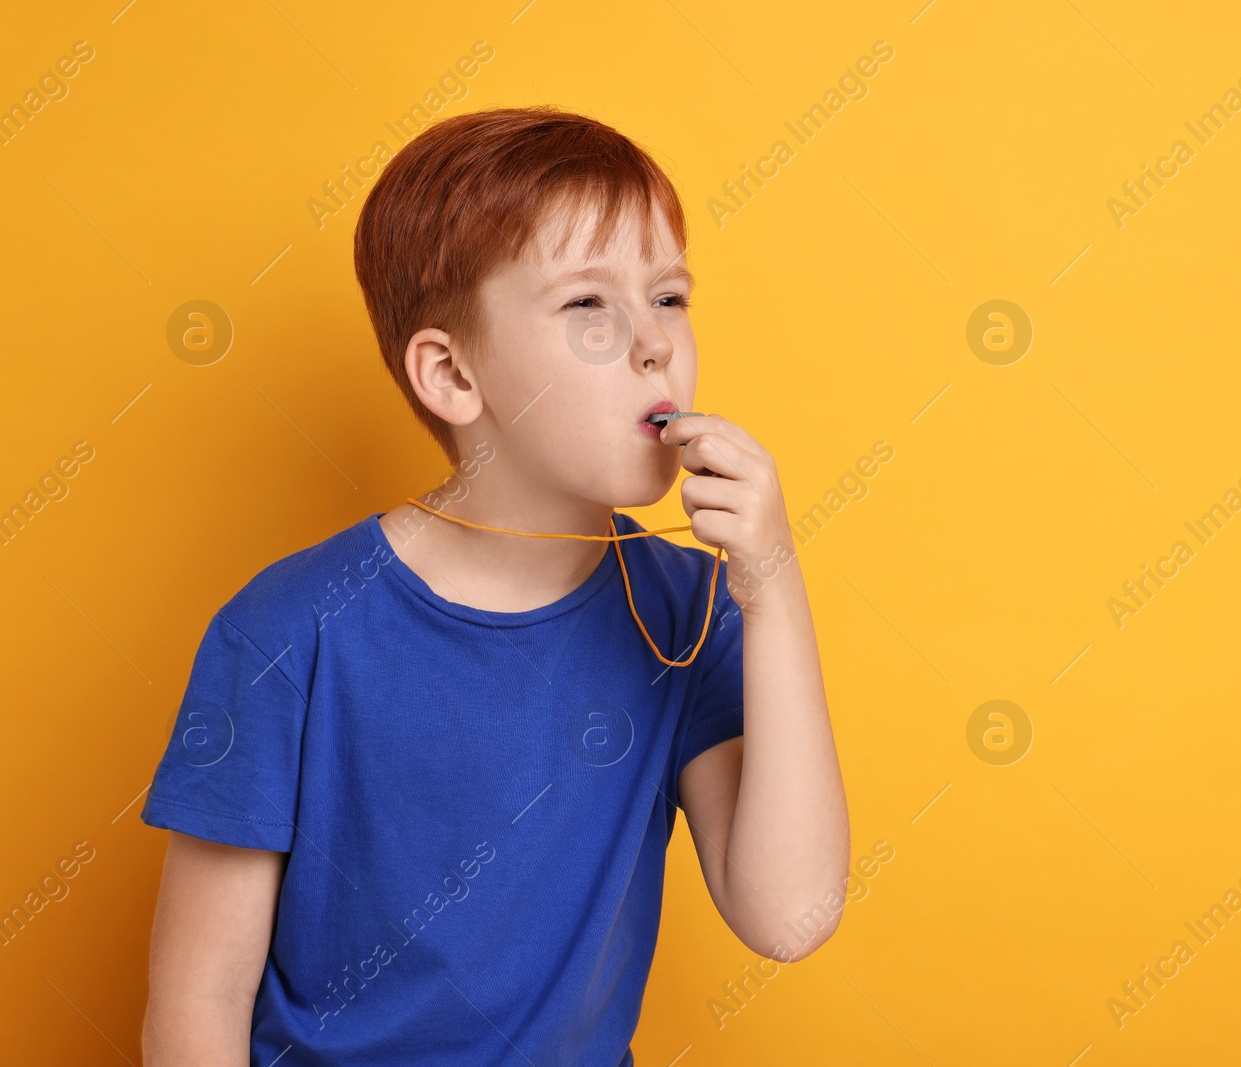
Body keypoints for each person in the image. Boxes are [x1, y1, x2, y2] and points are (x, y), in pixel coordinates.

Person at [138, 106, 848, 1066]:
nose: (652, 344)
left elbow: (790, 917)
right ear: (453, 374)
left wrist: (772, 582)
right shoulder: (289, 629)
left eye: (670, 297)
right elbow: (196, 1008)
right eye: (588, 305)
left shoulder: (688, 609)